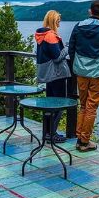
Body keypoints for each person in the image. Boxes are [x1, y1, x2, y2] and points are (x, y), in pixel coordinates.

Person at [67, 0, 99, 151]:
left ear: (90, 11)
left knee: (83, 105)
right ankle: (84, 141)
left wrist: (75, 65)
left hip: (81, 72)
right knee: (92, 107)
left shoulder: (78, 26)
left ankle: (79, 138)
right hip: (97, 73)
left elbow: (72, 48)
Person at [34, 9, 72, 142]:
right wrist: (68, 48)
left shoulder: (41, 35)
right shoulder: (50, 35)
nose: (60, 24)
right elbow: (57, 57)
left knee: (50, 104)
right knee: (59, 104)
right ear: (54, 21)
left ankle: (47, 133)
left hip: (48, 75)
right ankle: (52, 133)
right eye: (58, 21)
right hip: (57, 75)